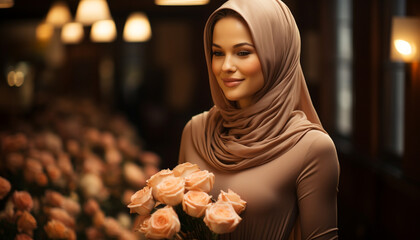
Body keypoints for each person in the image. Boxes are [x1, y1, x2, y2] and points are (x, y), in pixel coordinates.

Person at [178, 0, 340, 239]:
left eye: (243, 52)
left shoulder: (312, 147)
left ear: (277, 54)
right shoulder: (195, 131)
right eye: (218, 53)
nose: (226, 66)